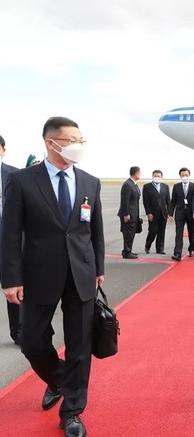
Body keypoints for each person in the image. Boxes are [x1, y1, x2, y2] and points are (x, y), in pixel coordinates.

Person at [1, 117, 104, 437]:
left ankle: (72, 411)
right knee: (32, 342)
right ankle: (59, 379)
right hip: (38, 274)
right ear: (51, 142)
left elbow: (95, 231)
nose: (78, 145)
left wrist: (99, 269)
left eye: (81, 140)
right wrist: (10, 279)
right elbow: (9, 233)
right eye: (72, 140)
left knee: (80, 345)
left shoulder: (90, 182)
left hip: (81, 274)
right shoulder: (22, 181)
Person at [0, 135, 19, 345]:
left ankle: (18, 331)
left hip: (10, 241)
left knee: (14, 286)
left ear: (3, 149)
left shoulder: (15, 175)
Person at [169, 168, 194, 261]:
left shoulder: (193, 186)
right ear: (180, 176)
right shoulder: (176, 186)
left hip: (191, 213)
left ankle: (191, 249)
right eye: (183, 175)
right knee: (179, 234)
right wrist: (170, 214)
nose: (184, 177)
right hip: (180, 213)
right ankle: (177, 253)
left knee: (191, 232)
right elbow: (173, 201)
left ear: (189, 175)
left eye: (186, 175)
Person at [142, 170, 170, 255]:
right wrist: (148, 213)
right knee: (153, 231)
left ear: (161, 177)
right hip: (153, 214)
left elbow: (168, 200)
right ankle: (147, 246)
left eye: (158, 176)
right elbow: (146, 201)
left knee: (161, 232)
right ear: (152, 176)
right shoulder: (147, 187)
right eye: (155, 176)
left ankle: (160, 249)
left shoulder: (165, 186)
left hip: (163, 213)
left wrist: (169, 212)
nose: (157, 177)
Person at [117, 166, 141, 259]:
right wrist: (126, 214)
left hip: (133, 214)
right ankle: (126, 252)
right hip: (128, 215)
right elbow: (125, 201)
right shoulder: (128, 184)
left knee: (131, 234)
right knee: (128, 234)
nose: (140, 174)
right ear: (136, 173)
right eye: (139, 173)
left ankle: (128, 250)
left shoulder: (134, 184)